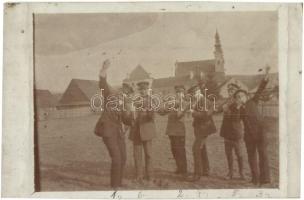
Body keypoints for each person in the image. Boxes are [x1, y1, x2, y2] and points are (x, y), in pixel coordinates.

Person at [94, 59, 132, 189]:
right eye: (124, 90)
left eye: (127, 93)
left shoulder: (125, 105)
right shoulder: (110, 95)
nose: (124, 94)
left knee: (124, 157)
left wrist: (130, 114)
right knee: (116, 158)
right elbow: (103, 84)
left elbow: (127, 121)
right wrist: (103, 70)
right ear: (120, 89)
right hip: (108, 131)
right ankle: (115, 186)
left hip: (119, 133)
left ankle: (119, 183)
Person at [234, 66, 271, 186]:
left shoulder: (253, 101)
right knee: (251, 158)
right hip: (249, 136)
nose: (240, 98)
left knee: (263, 155)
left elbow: (260, 89)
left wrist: (265, 77)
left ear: (246, 96)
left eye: (242, 96)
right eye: (237, 97)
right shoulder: (237, 109)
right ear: (236, 100)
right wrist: (237, 109)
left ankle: (265, 179)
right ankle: (255, 178)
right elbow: (235, 121)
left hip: (261, 133)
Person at [128, 81, 157, 183]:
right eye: (141, 90)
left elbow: (152, 116)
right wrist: (131, 116)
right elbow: (130, 114)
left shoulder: (151, 100)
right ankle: (139, 175)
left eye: (144, 89)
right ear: (139, 91)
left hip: (147, 131)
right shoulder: (135, 101)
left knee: (148, 154)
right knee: (137, 155)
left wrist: (148, 110)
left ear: (147, 90)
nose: (143, 91)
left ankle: (150, 175)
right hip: (136, 132)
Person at [186, 84, 216, 182]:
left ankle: (197, 174)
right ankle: (206, 170)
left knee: (196, 149)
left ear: (199, 92)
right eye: (193, 93)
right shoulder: (198, 101)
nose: (194, 94)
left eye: (196, 92)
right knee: (202, 149)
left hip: (204, 129)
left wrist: (193, 112)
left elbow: (205, 115)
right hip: (199, 129)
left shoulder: (204, 101)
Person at [159, 85, 188, 176]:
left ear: (184, 94)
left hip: (179, 131)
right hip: (171, 130)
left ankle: (183, 170)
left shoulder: (185, 103)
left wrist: (174, 104)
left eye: (181, 92)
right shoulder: (173, 103)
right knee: (174, 150)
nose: (179, 94)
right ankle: (179, 167)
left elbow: (179, 115)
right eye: (177, 92)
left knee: (180, 150)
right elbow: (162, 112)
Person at [219, 83, 245, 180]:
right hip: (227, 132)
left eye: (232, 90)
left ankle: (241, 173)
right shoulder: (227, 102)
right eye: (229, 90)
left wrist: (227, 110)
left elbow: (236, 118)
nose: (230, 92)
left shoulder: (239, 103)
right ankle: (230, 173)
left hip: (236, 132)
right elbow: (217, 110)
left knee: (239, 154)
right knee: (228, 154)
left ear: (236, 92)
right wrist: (223, 107)